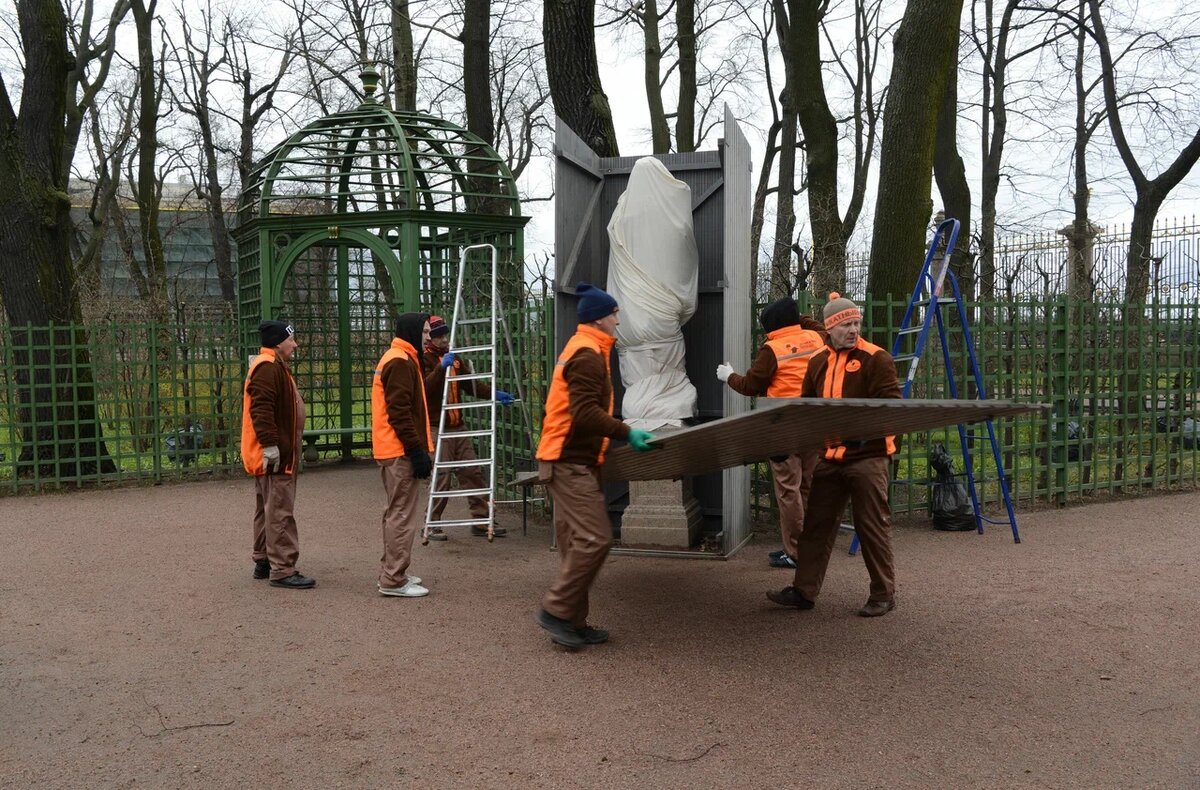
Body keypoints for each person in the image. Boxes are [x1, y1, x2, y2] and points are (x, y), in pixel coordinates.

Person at [534, 282, 658, 649]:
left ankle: (571, 623)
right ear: (601, 318)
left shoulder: (587, 348)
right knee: (596, 538)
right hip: (569, 460)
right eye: (615, 313)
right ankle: (556, 610)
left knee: (575, 542)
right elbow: (585, 413)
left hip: (566, 457)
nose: (619, 320)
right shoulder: (588, 355)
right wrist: (627, 431)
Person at [767, 293, 902, 617]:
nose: (853, 330)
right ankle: (803, 592)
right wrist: (789, 440)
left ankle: (883, 594)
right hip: (831, 457)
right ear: (830, 329)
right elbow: (806, 412)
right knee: (816, 526)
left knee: (871, 526)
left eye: (856, 323)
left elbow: (895, 409)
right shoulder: (818, 363)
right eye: (846, 325)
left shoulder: (876, 359)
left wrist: (872, 437)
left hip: (868, 456)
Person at [716, 296, 826, 569]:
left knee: (789, 491)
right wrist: (798, 319)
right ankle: (811, 547)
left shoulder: (772, 348)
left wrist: (728, 376)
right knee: (808, 487)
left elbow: (751, 385)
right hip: (814, 422)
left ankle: (796, 553)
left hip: (782, 427)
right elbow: (820, 326)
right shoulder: (816, 338)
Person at [421, 314, 515, 540]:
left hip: (457, 425)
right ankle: (431, 522)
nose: (444, 340)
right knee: (441, 476)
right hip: (436, 427)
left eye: (445, 335)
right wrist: (440, 369)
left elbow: (472, 385)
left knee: (472, 471)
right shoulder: (423, 360)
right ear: (431, 339)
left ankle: (482, 519)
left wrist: (494, 393)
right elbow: (424, 390)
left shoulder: (455, 359)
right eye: (439, 336)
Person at [242, 319, 315, 589]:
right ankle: (283, 568)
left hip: (270, 454)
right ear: (277, 342)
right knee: (279, 510)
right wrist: (271, 445)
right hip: (276, 457)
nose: (294, 344)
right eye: (290, 339)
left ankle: (263, 559)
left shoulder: (269, 365)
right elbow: (261, 410)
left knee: (266, 508)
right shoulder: (268, 368)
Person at [371, 313, 435, 598]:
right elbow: (399, 412)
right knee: (401, 514)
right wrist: (416, 450)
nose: (428, 337)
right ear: (411, 331)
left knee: (395, 512)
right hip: (399, 451)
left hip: (391, 448)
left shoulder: (398, 357)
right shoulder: (400, 360)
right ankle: (393, 579)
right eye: (423, 331)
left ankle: (392, 571)